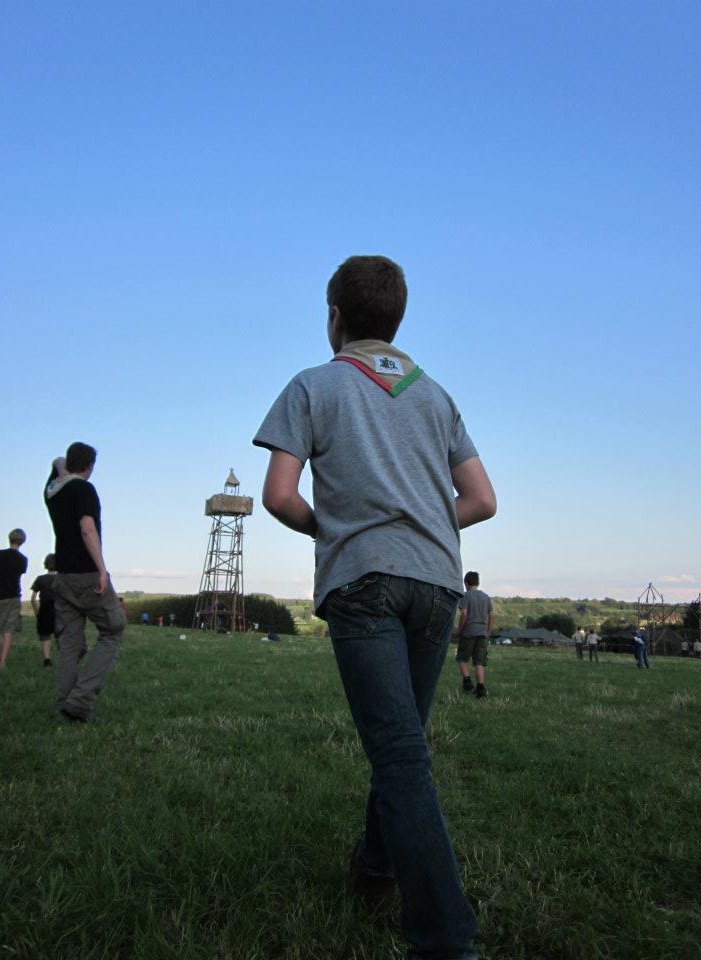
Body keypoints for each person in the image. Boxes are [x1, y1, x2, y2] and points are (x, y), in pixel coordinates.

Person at [253, 255, 496, 960]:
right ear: (397, 318)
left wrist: (333, 529)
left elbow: (278, 495)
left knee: (398, 754)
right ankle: (374, 869)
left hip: (364, 582)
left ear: (334, 317)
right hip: (438, 585)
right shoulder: (437, 396)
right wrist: (421, 522)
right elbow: (482, 500)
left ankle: (446, 942)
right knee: (402, 745)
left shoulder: (313, 384)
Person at [44, 442, 126, 721]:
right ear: (91, 466)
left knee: (70, 645)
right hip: (87, 574)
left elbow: (57, 461)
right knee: (113, 630)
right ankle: (80, 701)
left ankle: (64, 704)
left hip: (63, 577)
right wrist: (102, 570)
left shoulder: (52, 490)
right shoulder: (84, 489)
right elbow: (87, 529)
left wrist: (63, 465)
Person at [0, 529, 28, 669]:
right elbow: (18, 573)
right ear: (22, 541)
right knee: (9, 630)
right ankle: (2, 663)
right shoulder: (23, 559)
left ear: (10, 538)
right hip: (14, 596)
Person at [455, 571, 494, 698]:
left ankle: (467, 682)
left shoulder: (465, 596)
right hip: (482, 633)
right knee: (479, 662)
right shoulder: (486, 597)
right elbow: (492, 615)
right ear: (478, 582)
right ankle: (481, 688)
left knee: (461, 658)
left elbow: (464, 614)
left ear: (466, 583)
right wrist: (488, 631)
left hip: (468, 632)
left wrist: (459, 629)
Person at [30, 553, 58, 667]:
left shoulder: (40, 579)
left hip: (44, 610)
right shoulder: (61, 579)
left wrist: (37, 613)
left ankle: (47, 660)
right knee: (61, 635)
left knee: (45, 636)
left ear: (45, 564)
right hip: (59, 610)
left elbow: (33, 598)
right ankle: (64, 659)